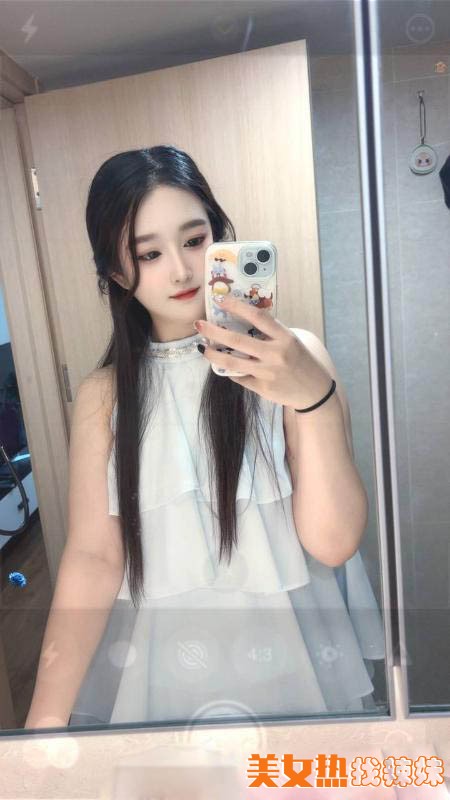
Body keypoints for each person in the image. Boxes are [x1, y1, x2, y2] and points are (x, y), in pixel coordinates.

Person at [25, 145, 384, 730]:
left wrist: (310, 397)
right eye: (149, 253)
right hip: (165, 661)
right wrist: (43, 718)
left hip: (294, 653)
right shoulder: (104, 396)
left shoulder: (298, 359)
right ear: (116, 273)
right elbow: (93, 556)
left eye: (195, 240)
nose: (182, 270)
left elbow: (333, 543)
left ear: (220, 237)